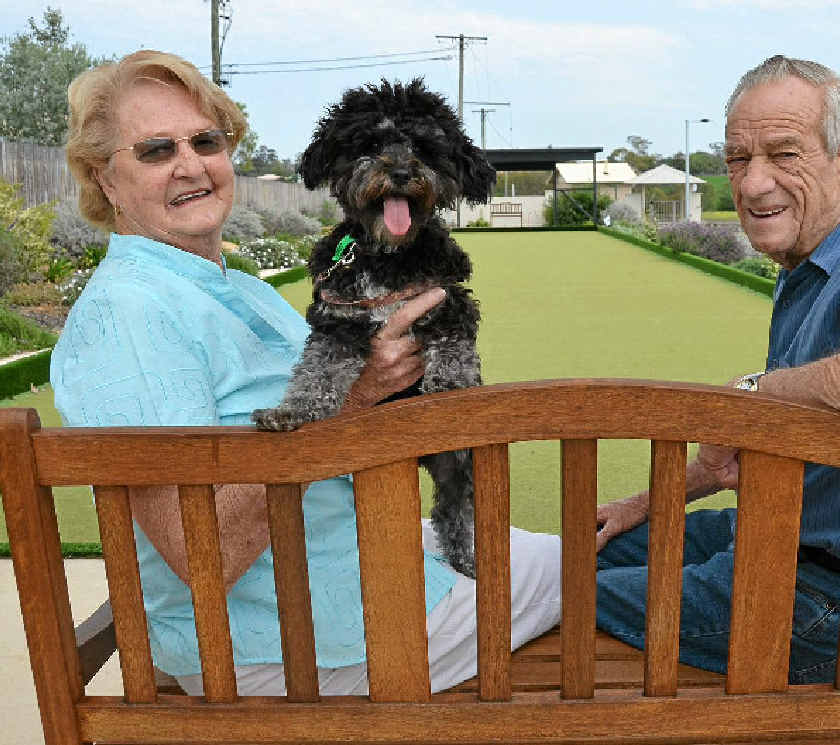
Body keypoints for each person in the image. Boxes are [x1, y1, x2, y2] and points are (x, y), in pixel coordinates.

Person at [53, 49, 560, 696]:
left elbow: (342, 416)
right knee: (580, 564)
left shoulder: (240, 289)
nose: (190, 164)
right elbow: (201, 556)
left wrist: (396, 368)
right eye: (155, 150)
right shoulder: (129, 315)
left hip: (342, 568)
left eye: (205, 141)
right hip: (295, 638)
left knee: (582, 539)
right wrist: (352, 395)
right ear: (104, 178)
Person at [594, 55, 840, 684]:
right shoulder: (818, 254)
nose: (753, 184)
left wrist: (755, 390)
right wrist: (646, 503)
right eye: (737, 158)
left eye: (784, 155)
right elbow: (778, 434)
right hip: (793, 541)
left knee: (562, 594)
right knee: (593, 548)